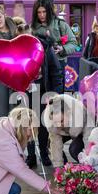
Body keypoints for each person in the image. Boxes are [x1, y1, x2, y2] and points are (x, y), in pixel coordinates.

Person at [25, 31, 64, 168]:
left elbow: (56, 72)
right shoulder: (21, 50)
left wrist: (55, 94)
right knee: (28, 123)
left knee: (42, 124)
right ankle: (31, 155)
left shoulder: (46, 49)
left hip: (44, 91)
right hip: (27, 92)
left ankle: (43, 152)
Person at [31, 0, 77, 85]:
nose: (42, 15)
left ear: (49, 11)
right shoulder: (32, 29)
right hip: (39, 68)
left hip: (58, 65)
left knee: (56, 97)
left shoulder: (60, 24)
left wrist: (62, 49)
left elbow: (74, 43)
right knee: (39, 96)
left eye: (44, 12)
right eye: (39, 12)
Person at [43, 94, 92, 168]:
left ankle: (84, 166)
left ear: (68, 112)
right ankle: (66, 169)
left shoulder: (81, 113)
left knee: (74, 149)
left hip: (81, 130)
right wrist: (58, 168)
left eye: (61, 121)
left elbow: (88, 140)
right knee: (51, 144)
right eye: (56, 122)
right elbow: (55, 146)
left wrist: (89, 163)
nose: (59, 125)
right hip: (66, 130)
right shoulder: (52, 124)